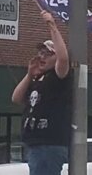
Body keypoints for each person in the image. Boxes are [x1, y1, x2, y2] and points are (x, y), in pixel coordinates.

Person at [12, 10, 71, 175]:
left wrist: (51, 24)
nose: (42, 57)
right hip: (34, 143)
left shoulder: (58, 76)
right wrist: (29, 74)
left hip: (50, 143)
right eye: (41, 53)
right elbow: (16, 98)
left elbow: (64, 58)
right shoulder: (36, 79)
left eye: (47, 54)